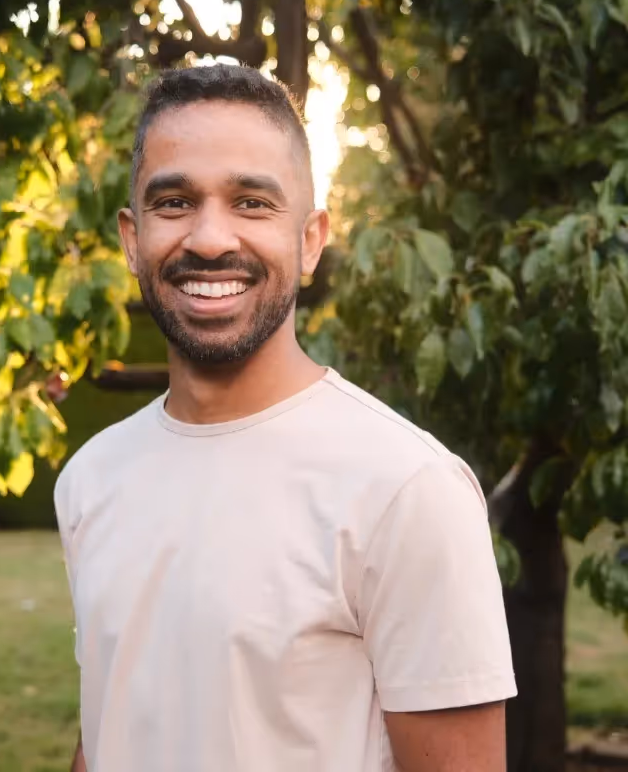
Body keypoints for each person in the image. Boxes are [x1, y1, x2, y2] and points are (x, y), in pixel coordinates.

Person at [54, 63, 516, 772]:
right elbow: (112, 725)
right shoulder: (91, 479)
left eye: (252, 202)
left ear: (309, 240)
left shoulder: (407, 490)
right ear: (131, 237)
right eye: (174, 202)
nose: (210, 238)